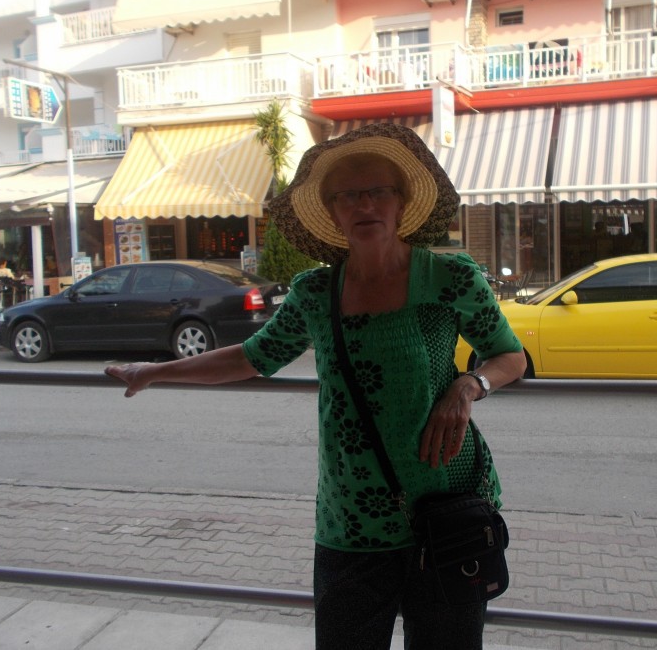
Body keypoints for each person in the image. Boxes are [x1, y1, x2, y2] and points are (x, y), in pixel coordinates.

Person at [106, 123, 526, 649]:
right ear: (332, 212)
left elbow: (510, 356)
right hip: (351, 520)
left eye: (377, 190)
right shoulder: (315, 292)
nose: (363, 203)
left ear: (401, 203)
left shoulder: (451, 278)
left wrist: (468, 385)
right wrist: (153, 371)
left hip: (446, 507)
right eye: (347, 195)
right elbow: (252, 357)